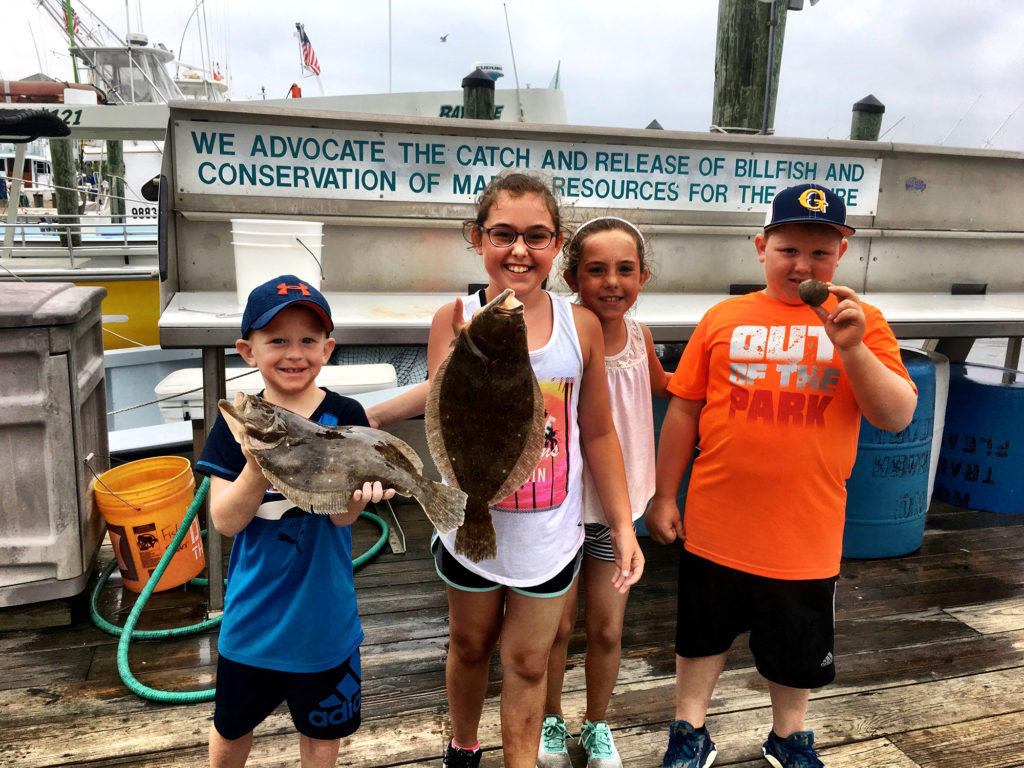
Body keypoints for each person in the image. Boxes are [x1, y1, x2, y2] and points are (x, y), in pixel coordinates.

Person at [366, 172, 645, 768]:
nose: (519, 250)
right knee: (468, 645)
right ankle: (462, 747)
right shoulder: (454, 319)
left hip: (549, 532)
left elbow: (596, 431)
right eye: (503, 234)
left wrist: (622, 526)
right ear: (477, 238)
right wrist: (372, 416)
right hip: (469, 518)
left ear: (557, 243)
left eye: (537, 236)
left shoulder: (583, 327)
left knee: (528, 659)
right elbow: (443, 408)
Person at [646, 184, 918, 768]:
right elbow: (684, 411)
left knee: (797, 648)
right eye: (788, 249)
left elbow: (895, 415)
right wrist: (665, 494)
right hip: (716, 525)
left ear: (841, 254)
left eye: (820, 253)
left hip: (807, 533)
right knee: (700, 638)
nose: (803, 265)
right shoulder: (723, 317)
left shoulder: (861, 321)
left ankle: (789, 736)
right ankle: (688, 728)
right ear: (760, 247)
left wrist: (852, 349)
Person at [196, 274, 395, 768]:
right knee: (230, 727)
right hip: (251, 622)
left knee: (322, 735)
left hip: (324, 622)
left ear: (328, 349)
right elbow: (224, 522)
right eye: (277, 340)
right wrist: (254, 464)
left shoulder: (345, 414)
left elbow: (344, 518)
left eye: (308, 340)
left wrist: (364, 496)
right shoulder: (236, 422)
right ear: (248, 350)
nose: (294, 352)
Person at [538, 216, 669, 768]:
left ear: (644, 276)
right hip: (563, 507)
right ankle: (549, 718)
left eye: (625, 269)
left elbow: (670, 389)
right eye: (596, 270)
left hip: (619, 509)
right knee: (558, 626)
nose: (612, 282)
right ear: (571, 276)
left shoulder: (640, 337)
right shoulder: (564, 336)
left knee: (608, 627)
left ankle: (597, 724)